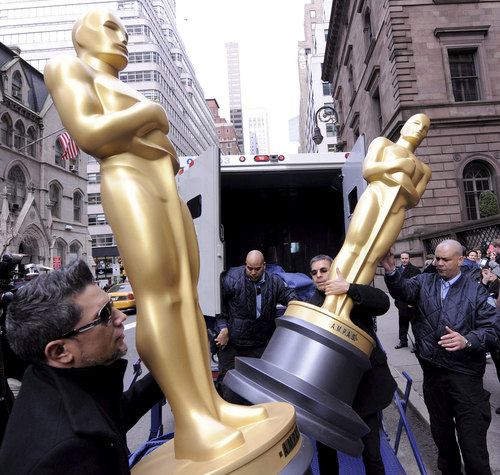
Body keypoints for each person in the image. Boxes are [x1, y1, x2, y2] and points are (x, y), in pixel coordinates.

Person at [44, 9, 271, 462]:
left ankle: (210, 407)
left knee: (187, 295)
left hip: (165, 184)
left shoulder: (119, 85)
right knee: (160, 298)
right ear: (81, 35)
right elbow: (90, 133)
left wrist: (149, 120)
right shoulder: (68, 67)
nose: (123, 35)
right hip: (128, 178)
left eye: (123, 28)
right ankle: (191, 420)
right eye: (111, 27)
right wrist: (151, 114)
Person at [0, 261, 164, 475]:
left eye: (111, 305)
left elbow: (111, 416)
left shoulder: (51, 378)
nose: (121, 317)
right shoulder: (67, 455)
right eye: (105, 314)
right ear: (60, 351)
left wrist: (166, 376)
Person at [381, 239, 500, 475]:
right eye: (437, 258)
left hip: (465, 379)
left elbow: (493, 332)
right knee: (443, 441)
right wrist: (392, 272)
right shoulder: (424, 281)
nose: (439, 263)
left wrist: (467, 340)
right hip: (434, 375)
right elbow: (403, 291)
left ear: (460, 260)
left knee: (473, 447)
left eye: (445, 259)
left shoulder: (476, 291)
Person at [324, 114, 431, 321]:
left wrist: (402, 183)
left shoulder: (424, 170)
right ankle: (330, 302)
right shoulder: (383, 143)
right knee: (354, 247)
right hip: (375, 196)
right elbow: (369, 170)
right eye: (417, 124)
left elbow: (414, 198)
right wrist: (399, 166)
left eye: (425, 128)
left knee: (372, 258)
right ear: (404, 127)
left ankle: (346, 309)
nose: (420, 130)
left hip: (397, 209)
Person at [308, 255, 396, 475]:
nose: (319, 276)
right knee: (326, 454)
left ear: (333, 270)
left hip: (364, 387)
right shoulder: (310, 307)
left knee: (372, 454)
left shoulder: (353, 292)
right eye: (314, 272)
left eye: (324, 270)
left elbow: (383, 303)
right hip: (329, 392)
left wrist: (349, 288)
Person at [215, 250, 298, 404]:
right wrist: (223, 327)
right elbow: (219, 304)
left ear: (264, 266)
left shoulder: (274, 282)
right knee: (230, 390)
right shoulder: (232, 277)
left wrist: (295, 304)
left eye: (257, 269)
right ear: (245, 265)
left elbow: (289, 294)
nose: (253, 273)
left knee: (256, 392)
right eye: (249, 268)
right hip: (232, 343)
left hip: (258, 343)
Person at [394, 252, 421, 349]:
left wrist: (413, 301)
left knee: (414, 324)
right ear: (400, 259)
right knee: (402, 323)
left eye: (406, 258)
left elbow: (418, 287)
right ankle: (403, 341)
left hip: (411, 301)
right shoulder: (398, 271)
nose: (404, 260)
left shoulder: (415, 270)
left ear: (409, 259)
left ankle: (417, 344)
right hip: (401, 301)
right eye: (402, 258)